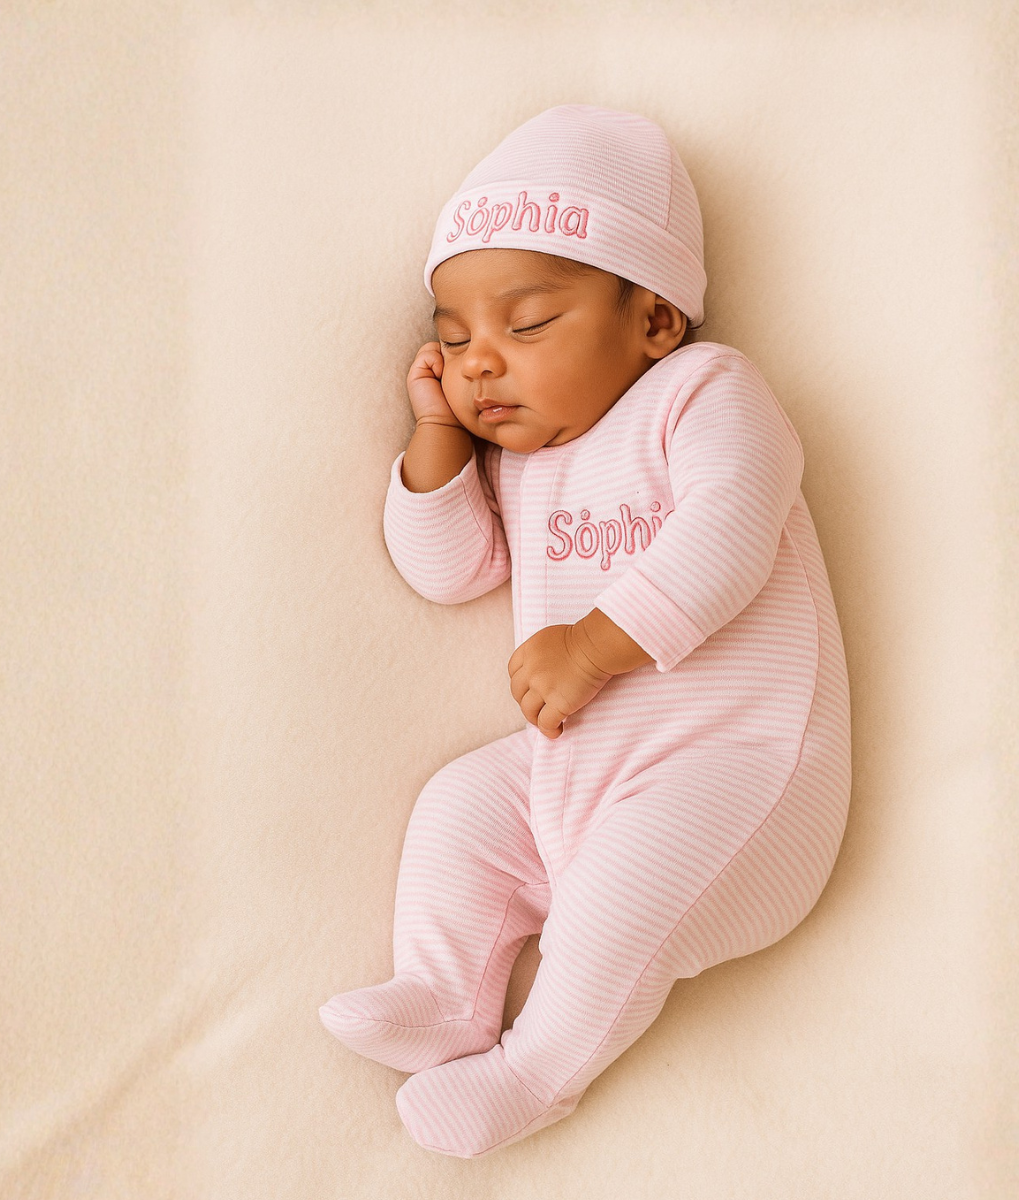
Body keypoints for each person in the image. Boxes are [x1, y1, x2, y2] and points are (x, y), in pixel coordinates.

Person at [319, 104, 852, 1158]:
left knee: (614, 903)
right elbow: (447, 571)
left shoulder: (705, 392)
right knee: (461, 803)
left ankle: (532, 1074)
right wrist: (436, 438)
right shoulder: (527, 463)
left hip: (742, 776)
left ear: (653, 321)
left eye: (525, 327)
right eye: (455, 338)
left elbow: (734, 524)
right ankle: (445, 990)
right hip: (581, 774)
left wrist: (595, 646)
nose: (480, 364)